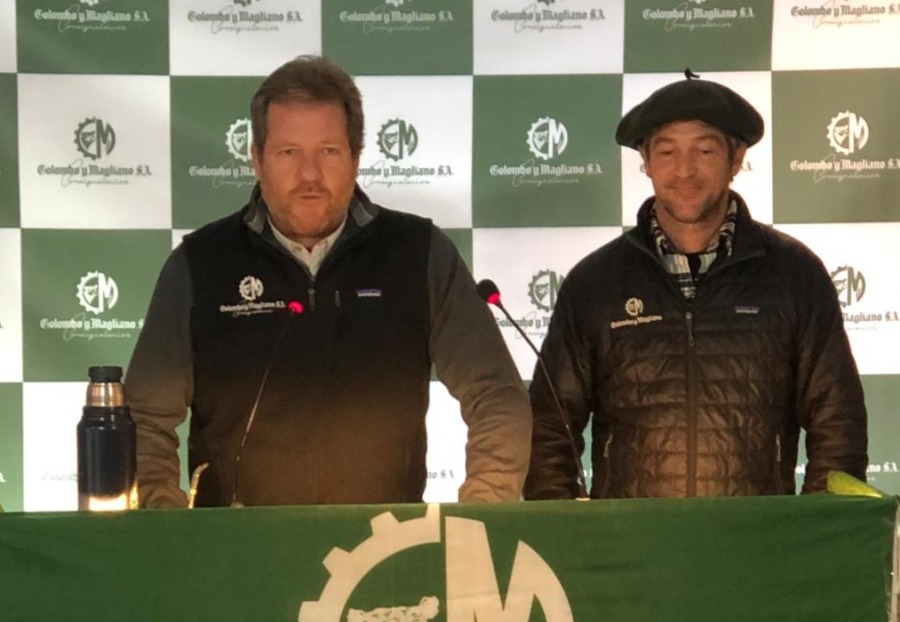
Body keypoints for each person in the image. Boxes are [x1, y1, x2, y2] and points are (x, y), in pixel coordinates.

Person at [126, 55, 531, 508]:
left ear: (356, 157)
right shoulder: (200, 263)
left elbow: (497, 396)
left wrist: (481, 513)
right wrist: (165, 524)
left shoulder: (419, 253)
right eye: (289, 153)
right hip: (234, 544)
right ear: (257, 159)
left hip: (384, 544)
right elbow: (143, 418)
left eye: (329, 152)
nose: (309, 175)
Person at [524, 71, 867, 499]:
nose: (684, 170)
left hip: (762, 536)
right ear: (646, 161)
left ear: (736, 159)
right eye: (667, 151)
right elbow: (549, 429)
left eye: (704, 150)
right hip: (626, 539)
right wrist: (566, 531)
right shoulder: (595, 283)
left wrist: (816, 528)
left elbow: (838, 424)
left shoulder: (794, 274)